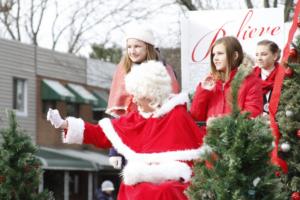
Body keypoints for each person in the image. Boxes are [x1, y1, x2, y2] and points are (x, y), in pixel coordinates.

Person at [47, 61, 206, 200]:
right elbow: (101, 134)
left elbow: (202, 146)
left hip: (175, 179)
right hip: (141, 178)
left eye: (137, 95)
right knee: (134, 189)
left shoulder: (177, 115)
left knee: (166, 190)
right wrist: (65, 124)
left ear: (151, 94)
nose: (134, 100)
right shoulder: (134, 119)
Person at [106, 26, 180, 169]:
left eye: (137, 46)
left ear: (148, 47)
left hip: (160, 135)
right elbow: (119, 116)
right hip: (132, 137)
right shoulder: (123, 71)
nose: (132, 51)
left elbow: (174, 108)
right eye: (129, 47)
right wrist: (114, 151)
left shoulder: (166, 71)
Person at [190, 36, 263, 135]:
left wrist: (220, 122)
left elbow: (252, 114)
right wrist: (203, 91)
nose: (215, 58)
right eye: (213, 54)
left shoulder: (251, 81)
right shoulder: (209, 82)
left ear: (235, 55)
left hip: (237, 143)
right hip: (210, 142)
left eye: (220, 53)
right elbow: (196, 118)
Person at [253, 40, 281, 115]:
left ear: (275, 56)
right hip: (255, 123)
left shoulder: (284, 75)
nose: (259, 58)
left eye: (263, 54)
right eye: (256, 55)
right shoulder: (250, 76)